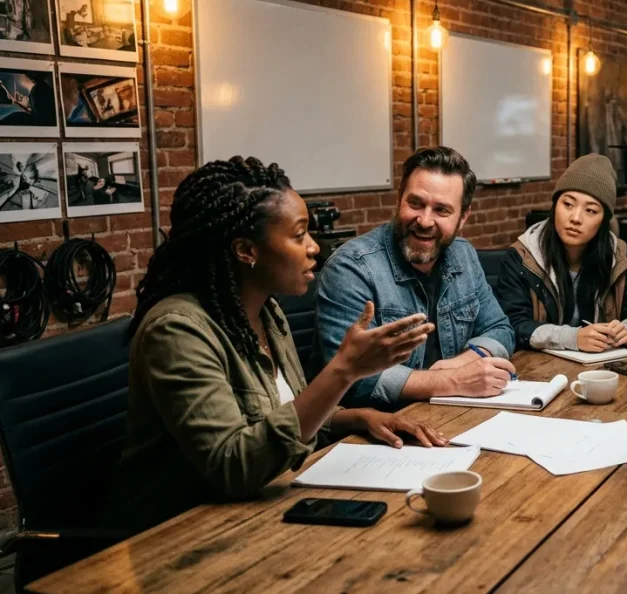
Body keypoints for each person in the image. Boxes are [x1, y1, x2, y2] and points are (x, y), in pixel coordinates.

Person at [107, 157, 444, 533]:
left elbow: (284, 409)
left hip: (267, 510)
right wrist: (344, 370)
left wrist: (359, 417)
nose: (314, 247)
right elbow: (233, 466)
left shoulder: (266, 312)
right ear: (246, 250)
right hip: (185, 533)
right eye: (299, 235)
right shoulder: (176, 332)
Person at [314, 147, 516, 411]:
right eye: (416, 203)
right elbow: (352, 379)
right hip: (380, 430)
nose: (424, 220)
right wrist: (453, 380)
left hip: (454, 415)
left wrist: (466, 361)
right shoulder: (352, 268)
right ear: (399, 199)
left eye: (442, 210)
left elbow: (501, 329)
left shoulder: (464, 255)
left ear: (463, 217)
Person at [497, 154, 627, 351]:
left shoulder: (619, 256)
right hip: (539, 372)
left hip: (602, 372)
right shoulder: (523, 256)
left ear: (603, 220)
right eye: (568, 204)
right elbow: (511, 325)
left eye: (591, 210)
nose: (575, 218)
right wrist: (572, 338)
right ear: (555, 205)